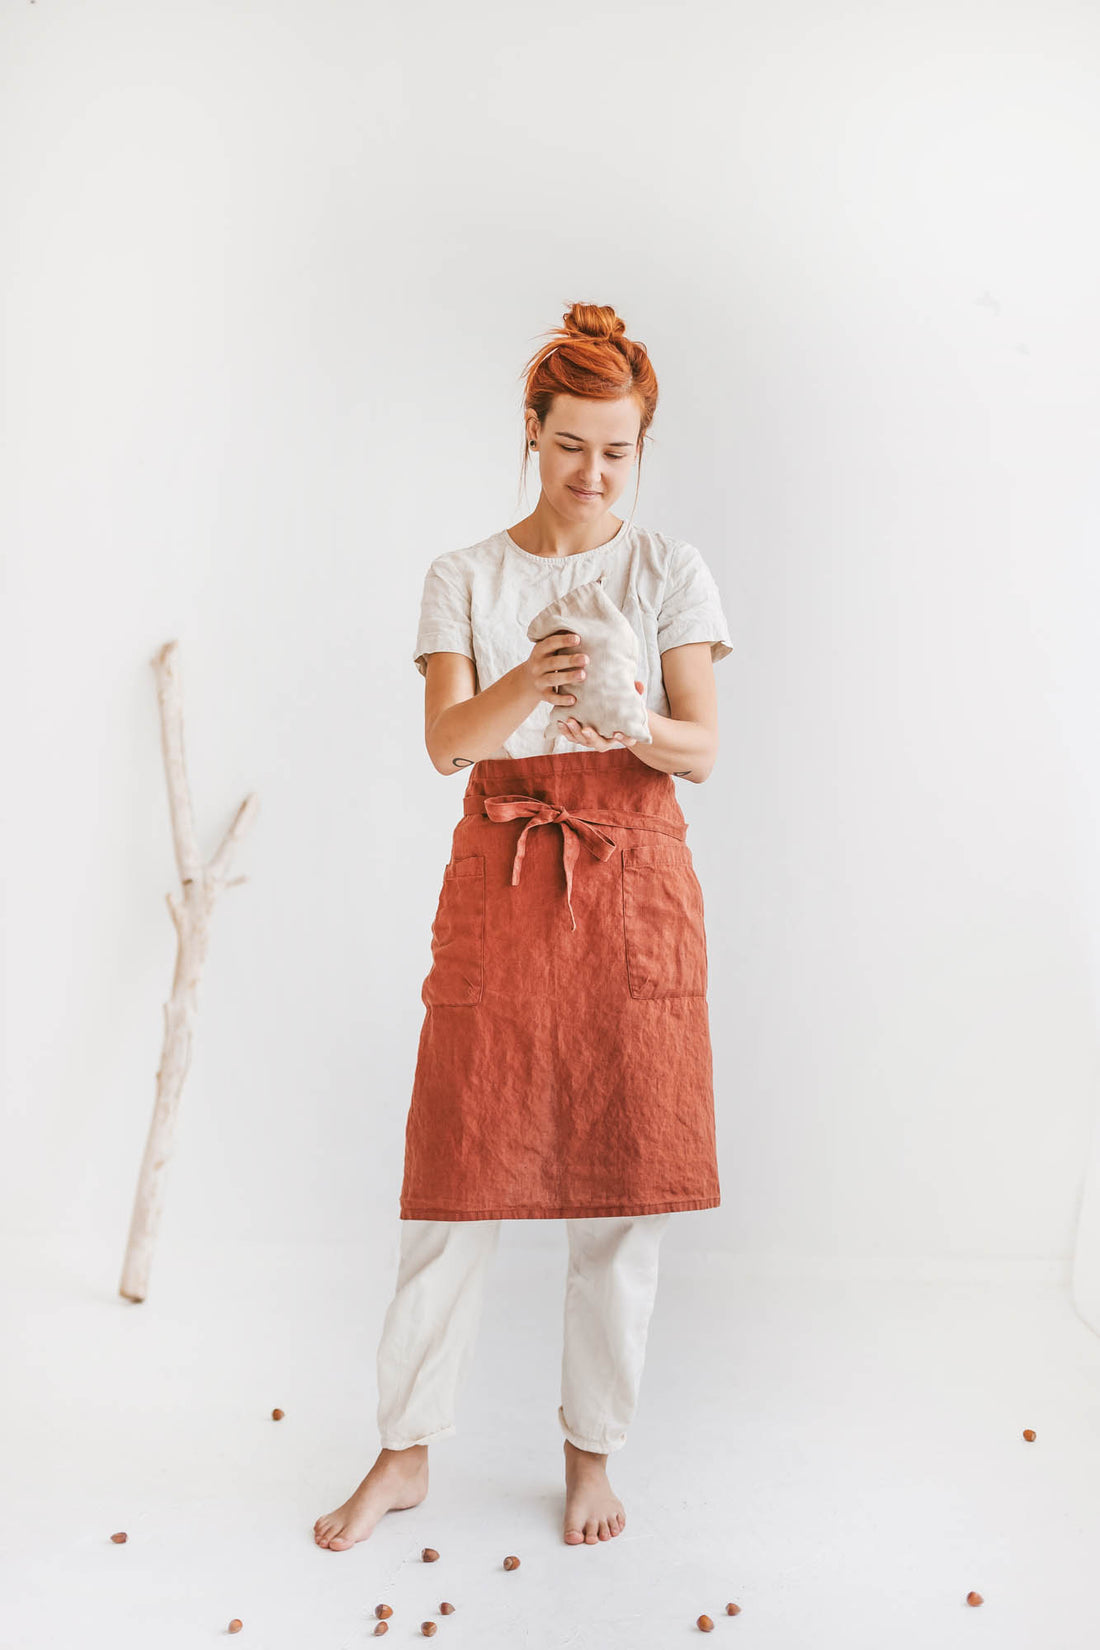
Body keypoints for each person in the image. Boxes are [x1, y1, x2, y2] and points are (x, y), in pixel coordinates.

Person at [314, 301, 733, 1552]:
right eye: (570, 446)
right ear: (531, 436)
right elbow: (450, 743)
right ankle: (402, 1453)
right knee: (453, 1182)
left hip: (632, 888)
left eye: (616, 450)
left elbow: (703, 751)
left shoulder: (669, 572)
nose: (592, 473)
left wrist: (627, 712)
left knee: (623, 1192)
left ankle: (589, 1455)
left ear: (639, 448)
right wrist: (540, 678)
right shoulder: (466, 577)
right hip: (500, 878)